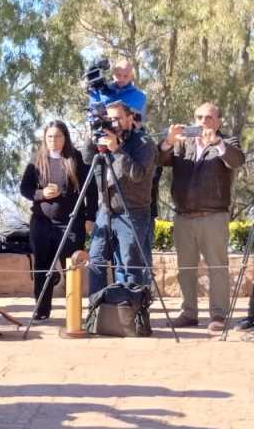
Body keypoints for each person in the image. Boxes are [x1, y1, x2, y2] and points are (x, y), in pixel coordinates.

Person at [159, 103, 245, 331]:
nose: (203, 122)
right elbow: (159, 160)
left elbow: (237, 161)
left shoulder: (227, 142)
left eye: (208, 118)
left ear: (218, 122)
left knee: (217, 267)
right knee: (185, 268)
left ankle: (218, 315)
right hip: (183, 216)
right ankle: (188, 313)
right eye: (199, 117)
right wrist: (168, 140)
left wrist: (217, 143)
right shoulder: (182, 143)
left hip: (213, 216)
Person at [19, 121, 97, 320]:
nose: (54, 141)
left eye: (58, 136)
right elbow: (25, 189)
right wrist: (41, 194)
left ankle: (73, 314)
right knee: (42, 267)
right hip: (42, 223)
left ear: (65, 138)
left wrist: (90, 217)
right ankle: (42, 310)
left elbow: (91, 188)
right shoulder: (36, 160)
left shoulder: (76, 158)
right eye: (50, 137)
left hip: (70, 223)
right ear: (45, 139)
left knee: (70, 268)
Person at [83, 101, 157, 295]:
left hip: (132, 211)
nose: (113, 123)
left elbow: (138, 174)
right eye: (110, 119)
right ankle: (96, 311)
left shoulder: (143, 143)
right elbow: (87, 159)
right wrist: (92, 138)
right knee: (96, 260)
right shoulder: (105, 139)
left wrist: (116, 149)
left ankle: (131, 315)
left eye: (117, 119)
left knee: (130, 264)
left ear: (130, 118)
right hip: (106, 210)